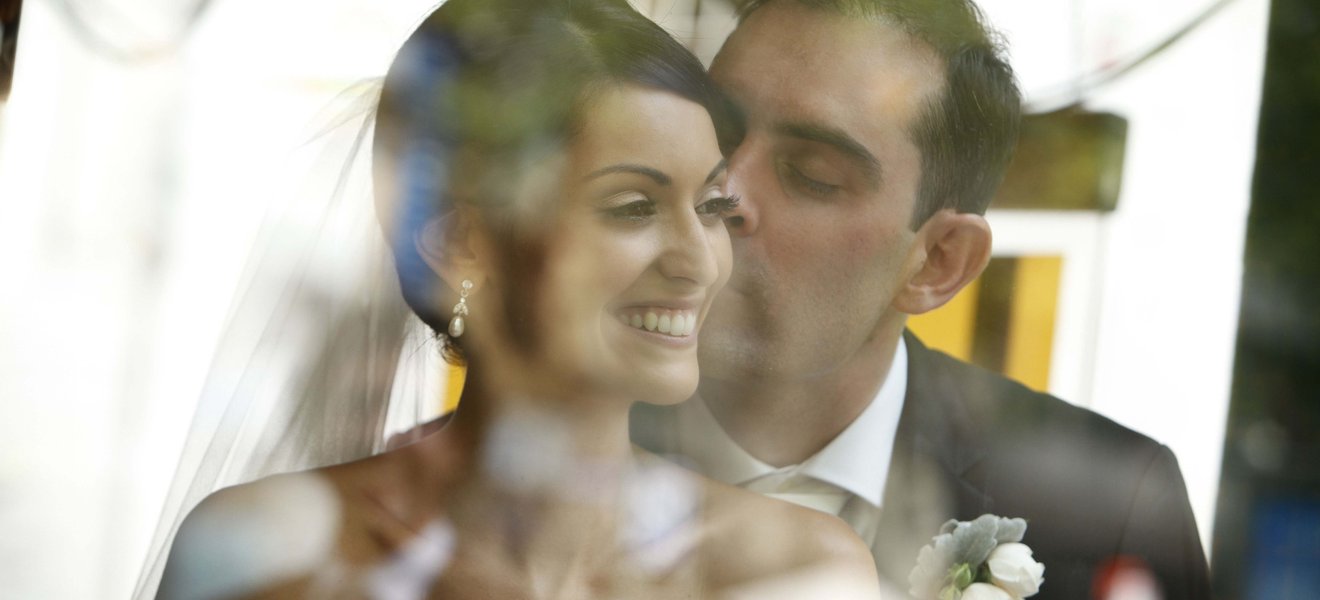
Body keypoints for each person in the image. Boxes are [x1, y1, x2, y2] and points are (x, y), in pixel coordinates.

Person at [153, 0, 878, 598]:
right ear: (463, 243)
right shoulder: (261, 556)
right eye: (632, 206)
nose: (699, 262)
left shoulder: (802, 574)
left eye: (713, 207)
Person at [631, 0, 1213, 598]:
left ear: (940, 262)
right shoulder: (555, 428)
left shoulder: (1112, 513)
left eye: (811, 174)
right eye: (718, 134)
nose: (723, 192)